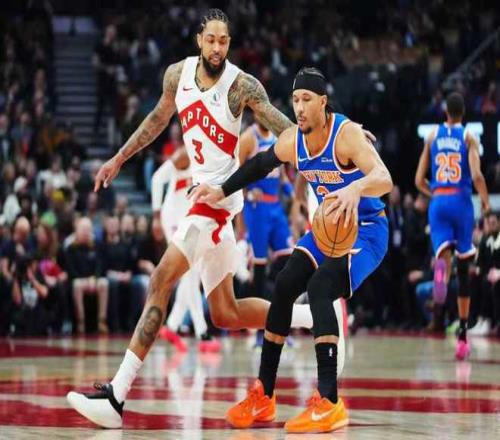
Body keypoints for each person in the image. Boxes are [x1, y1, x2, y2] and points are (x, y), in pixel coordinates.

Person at [66, 9, 314, 429]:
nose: (217, 48)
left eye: (224, 41)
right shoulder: (176, 76)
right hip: (202, 201)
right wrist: (119, 158)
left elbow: (283, 126)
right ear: (199, 39)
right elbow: (156, 120)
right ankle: (313, 316)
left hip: (217, 203)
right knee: (226, 314)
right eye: (211, 39)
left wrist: (333, 139)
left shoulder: (240, 85)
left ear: (229, 43)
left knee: (160, 280)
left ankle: (116, 396)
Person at [191, 67, 392, 433]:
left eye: (307, 100)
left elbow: (385, 178)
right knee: (284, 285)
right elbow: (258, 165)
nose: (299, 107)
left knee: (319, 287)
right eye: (295, 99)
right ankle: (264, 395)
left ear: (323, 102)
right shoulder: (293, 141)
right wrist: (221, 190)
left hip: (365, 231)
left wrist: (355, 189)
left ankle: (329, 402)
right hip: (328, 227)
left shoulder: (346, 135)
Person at [415, 92, 490, 360]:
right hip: (461, 201)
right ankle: (462, 337)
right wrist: (485, 202)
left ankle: (440, 284)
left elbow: (418, 180)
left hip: (439, 201)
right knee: (464, 268)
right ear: (463, 113)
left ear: (445, 112)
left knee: (443, 256)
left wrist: (434, 193)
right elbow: (477, 175)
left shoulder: (432, 136)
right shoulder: (469, 137)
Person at [151, 144, 220, 352]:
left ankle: (172, 326)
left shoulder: (212, 159)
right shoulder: (185, 154)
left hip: (191, 219)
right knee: (189, 272)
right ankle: (202, 332)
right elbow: (157, 179)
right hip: (173, 218)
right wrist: (155, 217)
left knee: (193, 272)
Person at [239, 121, 293, 347]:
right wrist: (247, 195)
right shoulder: (248, 138)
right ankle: (262, 332)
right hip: (256, 210)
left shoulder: (277, 137)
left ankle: (280, 325)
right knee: (259, 271)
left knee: (290, 261)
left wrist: (293, 193)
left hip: (276, 208)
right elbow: (234, 173)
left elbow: (282, 175)